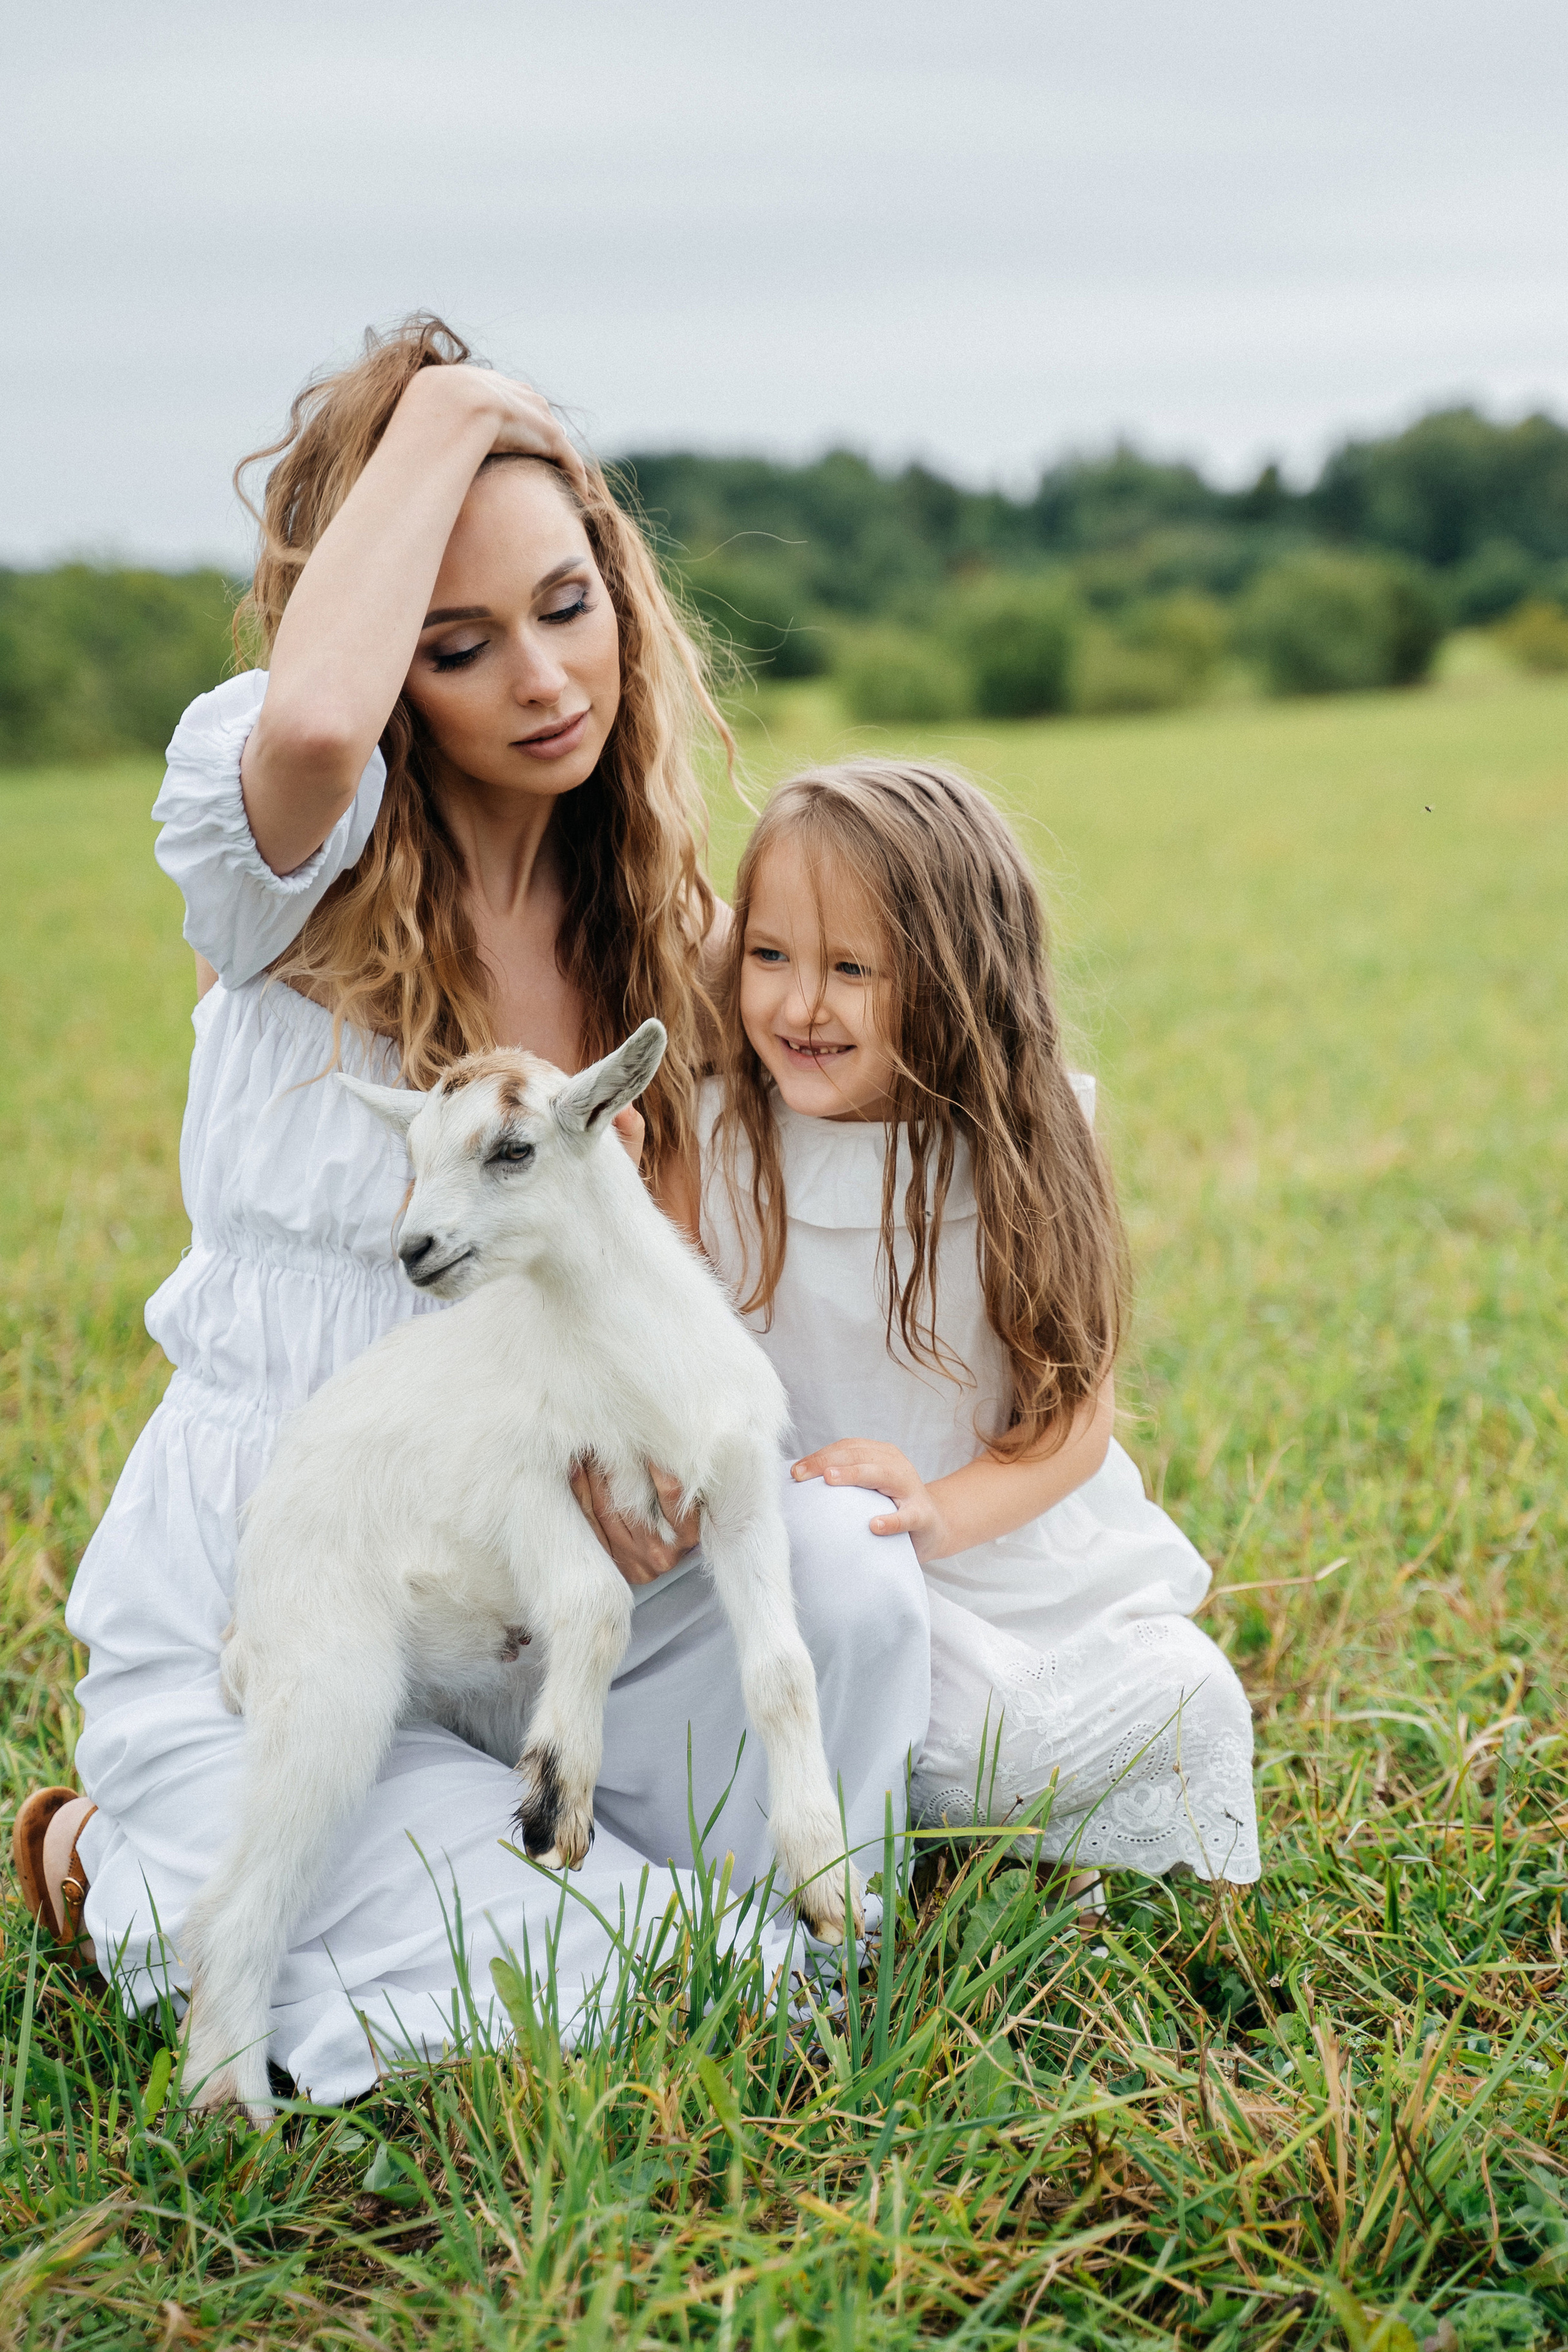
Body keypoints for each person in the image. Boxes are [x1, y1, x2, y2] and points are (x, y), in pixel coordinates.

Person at [10, 320, 929, 2103]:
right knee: (588, 2007)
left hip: (546, 1580)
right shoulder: (289, 875)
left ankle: (702, 1911)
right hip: (316, 1568)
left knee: (855, 1596)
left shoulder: (652, 929)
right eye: (459, 642)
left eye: (569, 604)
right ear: (384, 655)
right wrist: (455, 404)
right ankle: (109, 1854)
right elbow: (311, 715)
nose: (541, 677)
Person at [698, 760, 1260, 1885]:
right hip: (815, 1574)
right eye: (770, 956)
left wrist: (941, 1515)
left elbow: (1074, 1413)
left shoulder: (1034, 1133)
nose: (801, 1006)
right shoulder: (719, 1128)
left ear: (958, 976)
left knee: (1185, 1693)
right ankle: (920, 1785)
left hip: (990, 1550)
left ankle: (947, 1785)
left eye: (854, 969)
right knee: (849, 1687)